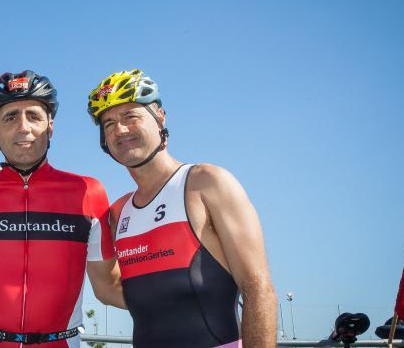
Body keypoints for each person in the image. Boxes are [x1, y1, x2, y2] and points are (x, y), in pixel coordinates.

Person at [87, 69, 277, 348]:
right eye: (109, 123)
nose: (120, 130)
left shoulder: (206, 183)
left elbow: (258, 288)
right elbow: (106, 289)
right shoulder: (117, 212)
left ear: (159, 117)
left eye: (130, 116)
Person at [0, 70, 124, 347]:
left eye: (34, 116)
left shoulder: (88, 192)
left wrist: (189, 301)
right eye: (10, 117)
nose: (23, 127)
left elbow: (109, 287)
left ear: (51, 126)